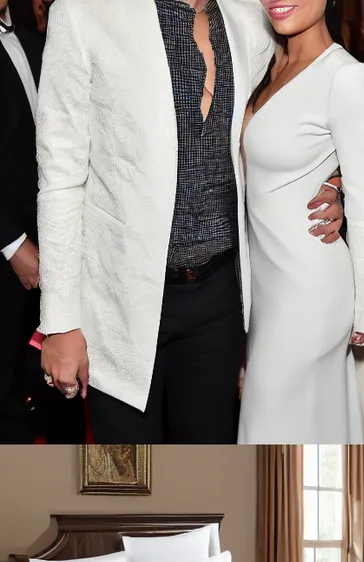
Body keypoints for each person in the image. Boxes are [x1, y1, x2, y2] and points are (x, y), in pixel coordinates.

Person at [37, 0, 347, 443]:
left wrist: (335, 181)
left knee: (206, 477)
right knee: (123, 483)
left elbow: (306, 105)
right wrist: (61, 322)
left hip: (219, 302)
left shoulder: (250, 19)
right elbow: (60, 178)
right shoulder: (86, 12)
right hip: (120, 304)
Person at [239, 0, 364, 444]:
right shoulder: (262, 61)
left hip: (310, 294)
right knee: (314, 431)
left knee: (264, 430)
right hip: (265, 290)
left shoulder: (345, 77)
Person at [0, 0, 82, 443]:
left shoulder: (38, 43)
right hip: (9, 254)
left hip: (57, 249)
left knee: (61, 391)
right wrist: (12, 244)